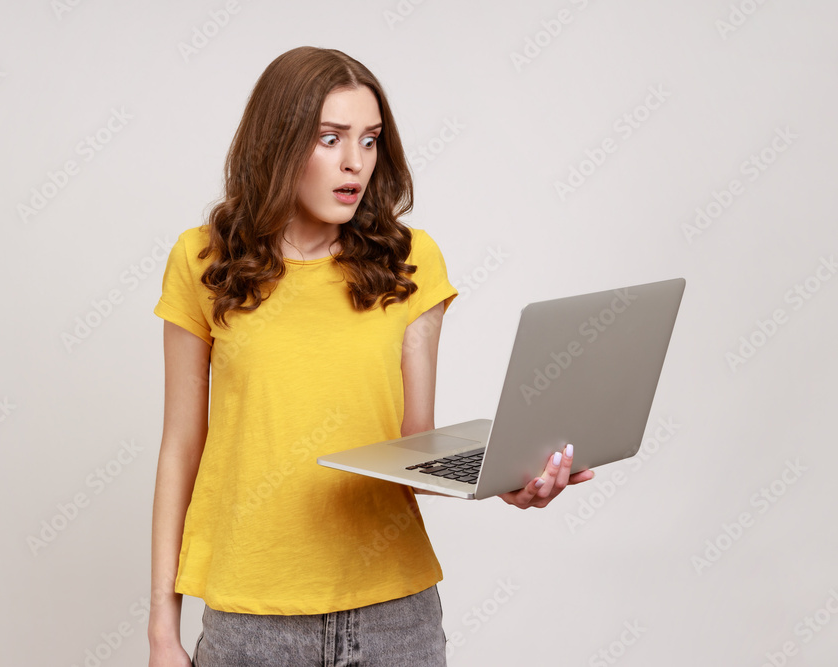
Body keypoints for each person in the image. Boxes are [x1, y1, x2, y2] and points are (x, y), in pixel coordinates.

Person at [147, 46, 595, 667]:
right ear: (277, 143)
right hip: (253, 622)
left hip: (395, 619)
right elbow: (180, 448)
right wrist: (162, 633)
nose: (354, 163)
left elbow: (415, 445)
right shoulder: (203, 262)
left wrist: (507, 481)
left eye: (370, 139)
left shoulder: (410, 260)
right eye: (329, 138)